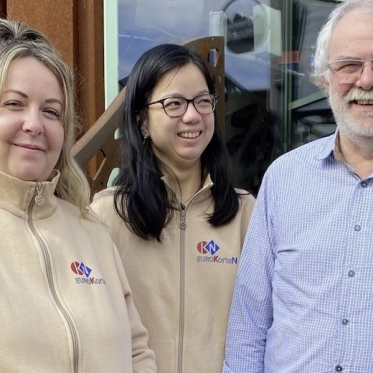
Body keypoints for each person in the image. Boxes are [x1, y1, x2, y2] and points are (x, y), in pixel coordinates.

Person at [223, 0, 373, 371]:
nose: (366, 80)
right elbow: (249, 321)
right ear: (324, 78)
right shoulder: (284, 179)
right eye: (349, 65)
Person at [0, 19, 156, 372]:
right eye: (14, 103)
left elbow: (137, 351)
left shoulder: (92, 232)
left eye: (51, 111)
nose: (34, 124)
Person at [90, 43, 255, 373]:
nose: (192, 115)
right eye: (174, 104)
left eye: (202, 101)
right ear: (142, 123)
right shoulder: (106, 216)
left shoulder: (245, 213)